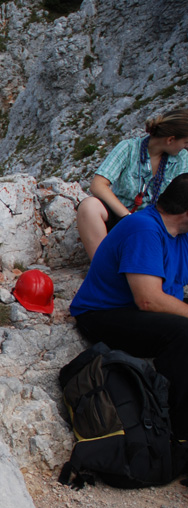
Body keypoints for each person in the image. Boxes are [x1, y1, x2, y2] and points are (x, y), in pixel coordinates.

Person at [70, 173, 188, 439]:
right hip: (102, 313)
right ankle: (180, 434)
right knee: (183, 334)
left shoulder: (180, 234)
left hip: (138, 308)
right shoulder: (144, 229)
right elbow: (148, 299)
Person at [77, 109, 188, 259]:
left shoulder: (183, 159)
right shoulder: (128, 148)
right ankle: (101, 265)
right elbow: (98, 185)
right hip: (122, 218)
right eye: (185, 142)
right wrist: (128, 217)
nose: (185, 147)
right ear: (170, 139)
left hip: (159, 224)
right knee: (89, 206)